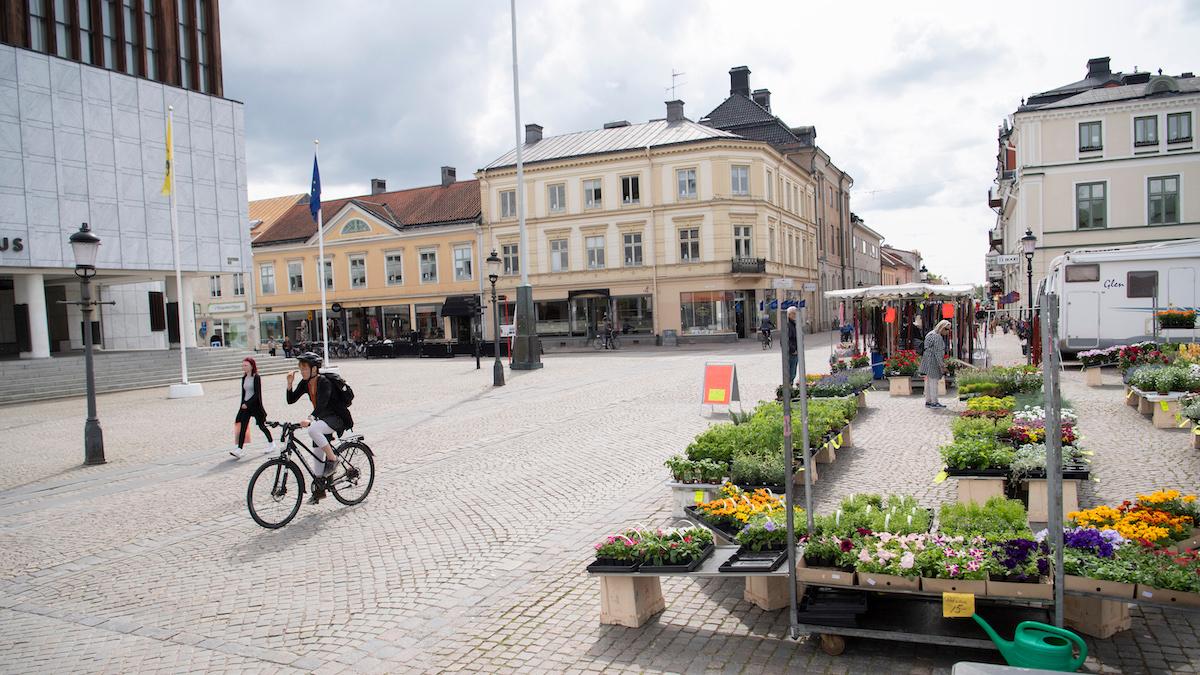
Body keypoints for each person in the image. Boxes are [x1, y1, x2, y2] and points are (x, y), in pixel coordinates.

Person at [286, 352, 353, 500]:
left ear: (314, 369)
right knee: (317, 455)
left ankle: (333, 459)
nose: (302, 371)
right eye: (301, 368)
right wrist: (290, 383)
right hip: (323, 420)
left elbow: (322, 405)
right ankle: (320, 489)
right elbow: (291, 400)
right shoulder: (305, 383)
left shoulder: (324, 382)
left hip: (336, 418)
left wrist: (310, 419)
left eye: (305, 368)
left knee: (313, 429)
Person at [230, 357, 275, 458]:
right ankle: (239, 449)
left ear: (251, 366)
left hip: (255, 406)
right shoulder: (244, 378)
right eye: (243, 365)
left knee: (261, 426)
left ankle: (271, 443)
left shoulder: (256, 377)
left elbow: (257, 394)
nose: (243, 367)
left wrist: (248, 403)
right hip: (245, 407)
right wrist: (242, 406)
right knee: (243, 427)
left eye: (245, 365)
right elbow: (244, 394)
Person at [919, 319, 952, 408]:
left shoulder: (930, 334)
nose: (948, 332)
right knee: (933, 382)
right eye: (947, 329)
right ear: (942, 328)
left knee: (928, 382)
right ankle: (934, 402)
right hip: (933, 361)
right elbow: (938, 352)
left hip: (927, 360)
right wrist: (942, 365)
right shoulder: (937, 337)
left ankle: (928, 401)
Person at [787, 306, 799, 384]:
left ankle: (790, 385)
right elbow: (787, 339)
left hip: (794, 352)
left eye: (795, 314)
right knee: (791, 372)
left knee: (793, 371)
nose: (795, 315)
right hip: (791, 352)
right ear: (789, 314)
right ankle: (789, 388)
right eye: (793, 314)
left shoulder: (793, 324)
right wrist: (793, 350)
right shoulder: (788, 325)